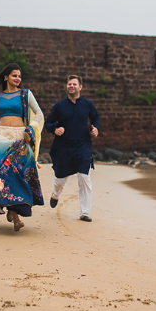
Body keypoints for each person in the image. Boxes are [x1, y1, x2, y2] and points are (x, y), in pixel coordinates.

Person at [0, 63, 44, 231]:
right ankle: (11, 212)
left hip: (20, 136)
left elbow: (40, 114)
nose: (18, 78)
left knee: (17, 173)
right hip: (1, 135)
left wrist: (30, 129)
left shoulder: (26, 94)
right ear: (6, 77)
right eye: (14, 75)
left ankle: (13, 211)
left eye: (19, 76)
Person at [44, 75, 100, 222]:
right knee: (60, 178)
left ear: (80, 87)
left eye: (74, 84)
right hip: (63, 147)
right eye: (69, 84)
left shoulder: (88, 104)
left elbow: (95, 117)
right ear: (67, 86)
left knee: (84, 177)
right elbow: (48, 123)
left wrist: (96, 129)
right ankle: (56, 194)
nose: (71, 86)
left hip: (83, 145)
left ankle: (85, 212)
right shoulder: (59, 106)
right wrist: (55, 129)